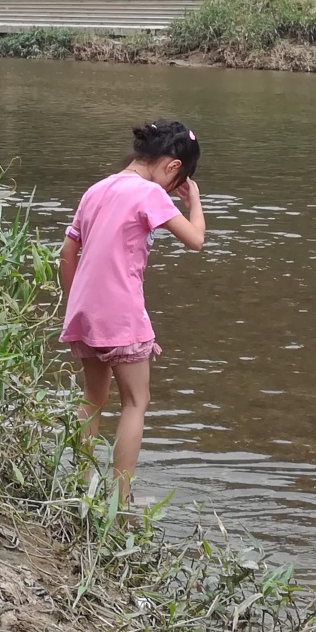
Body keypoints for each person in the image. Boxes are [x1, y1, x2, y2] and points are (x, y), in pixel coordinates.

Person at [59, 119, 205, 504]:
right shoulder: (150, 193)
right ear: (172, 167)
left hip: (85, 313)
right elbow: (196, 241)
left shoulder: (96, 190)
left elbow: (66, 255)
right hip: (122, 315)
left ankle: (79, 487)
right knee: (135, 402)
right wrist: (195, 203)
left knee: (92, 399)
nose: (175, 189)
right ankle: (120, 502)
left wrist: (77, 304)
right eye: (179, 181)